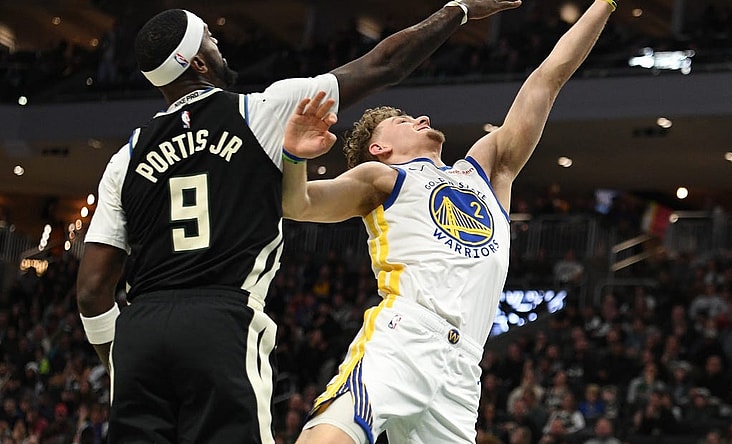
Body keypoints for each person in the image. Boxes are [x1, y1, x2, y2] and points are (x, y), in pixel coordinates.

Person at [74, 2, 522, 444]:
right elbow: (385, 63)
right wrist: (457, 11)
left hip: (139, 329)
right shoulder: (263, 109)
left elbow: (92, 290)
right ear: (196, 62)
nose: (219, 45)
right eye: (210, 39)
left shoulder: (125, 157)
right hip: (219, 319)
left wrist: (120, 358)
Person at [279, 0, 618, 442]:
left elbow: (547, 79)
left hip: (463, 367)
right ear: (379, 149)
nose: (421, 117)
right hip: (407, 336)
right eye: (402, 120)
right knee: (335, 433)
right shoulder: (382, 177)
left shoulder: (484, 170)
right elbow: (299, 203)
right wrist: (292, 157)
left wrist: (604, 4)